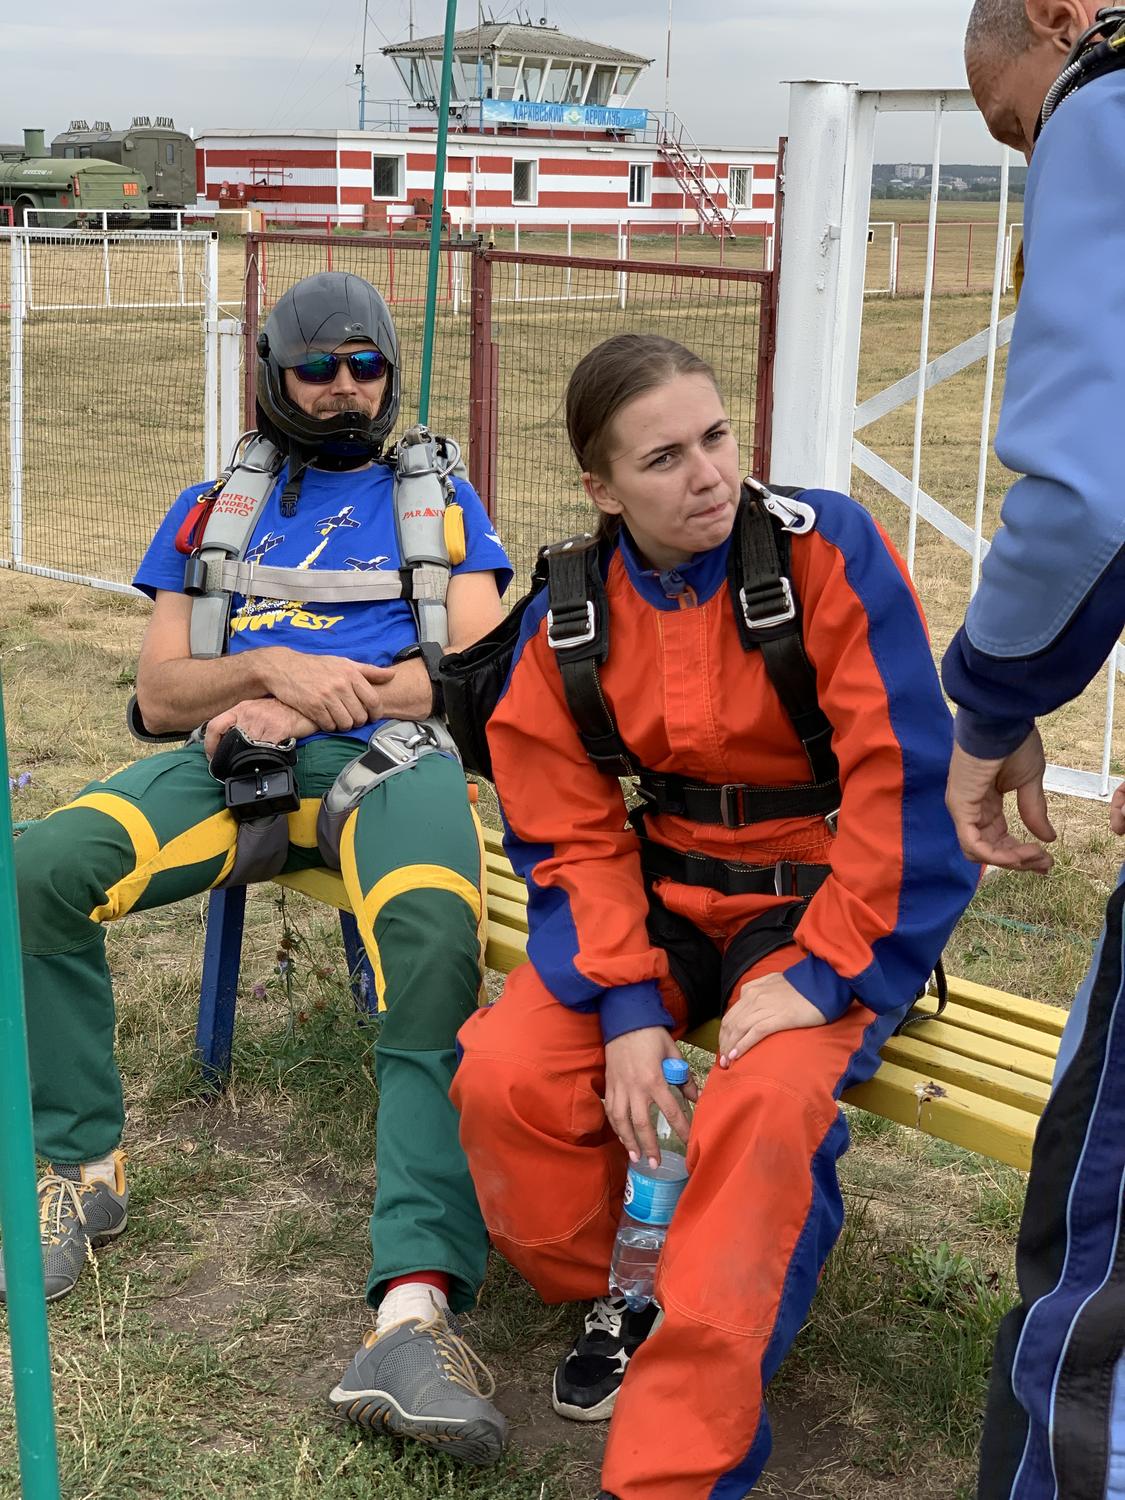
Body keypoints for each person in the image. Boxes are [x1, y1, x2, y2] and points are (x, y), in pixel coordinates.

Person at [450, 333, 978, 1500]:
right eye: (664, 458)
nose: (709, 476)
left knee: (763, 1109)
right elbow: (566, 826)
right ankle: (640, 1286)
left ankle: (678, 1466)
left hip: (824, 901)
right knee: (506, 1078)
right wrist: (627, 1009)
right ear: (601, 489)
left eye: (718, 437)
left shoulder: (822, 552)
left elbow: (905, 780)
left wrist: (825, 974)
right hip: (663, 895)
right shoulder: (571, 610)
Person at [3, 271, 514, 1466]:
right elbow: (159, 692)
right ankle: (82, 1165)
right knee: (38, 870)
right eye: (316, 368)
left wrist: (339, 694)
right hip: (238, 762)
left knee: (434, 939)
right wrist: (265, 675)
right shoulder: (211, 508)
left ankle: (413, 1312)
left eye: (365, 365)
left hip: (397, 759)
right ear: (273, 376)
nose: (344, 388)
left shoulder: (440, 501)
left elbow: (482, 677)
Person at [942, 4, 1125, 1496]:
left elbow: (1084, 495)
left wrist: (989, 709)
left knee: (1100, 1260)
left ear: (1059, 15)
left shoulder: (1107, 99)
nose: (1031, 155)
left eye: (1017, 124)